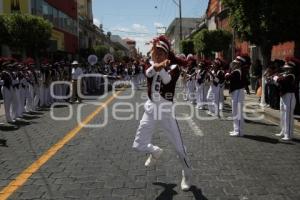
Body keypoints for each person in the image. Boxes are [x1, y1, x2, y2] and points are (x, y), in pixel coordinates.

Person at [132, 35, 192, 191]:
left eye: (161, 52)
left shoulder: (174, 68)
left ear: (167, 54)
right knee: (139, 145)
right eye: (155, 52)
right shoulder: (149, 64)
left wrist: (163, 66)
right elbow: (148, 74)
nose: (157, 55)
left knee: (179, 148)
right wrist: (157, 65)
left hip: (165, 111)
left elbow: (166, 81)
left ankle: (186, 173)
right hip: (151, 109)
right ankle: (155, 151)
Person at [225, 55, 251, 137]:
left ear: (240, 64)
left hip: (238, 92)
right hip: (235, 92)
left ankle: (240, 131)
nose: (234, 64)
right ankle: (236, 129)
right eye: (234, 63)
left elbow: (229, 78)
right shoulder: (236, 70)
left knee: (238, 112)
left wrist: (228, 74)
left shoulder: (238, 71)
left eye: (236, 63)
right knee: (234, 112)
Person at [273, 58, 298, 141]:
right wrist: (276, 80)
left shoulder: (291, 76)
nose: (285, 69)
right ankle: (283, 130)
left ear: (291, 69)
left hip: (289, 96)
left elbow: (283, 82)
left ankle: (289, 134)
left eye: (287, 68)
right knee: (282, 114)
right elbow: (279, 84)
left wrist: (276, 78)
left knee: (288, 116)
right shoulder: (285, 75)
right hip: (283, 96)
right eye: (285, 68)